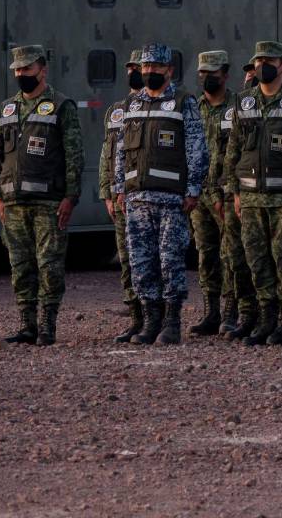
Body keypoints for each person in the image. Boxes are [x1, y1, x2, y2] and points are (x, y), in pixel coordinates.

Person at [223, 40, 282, 347]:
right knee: (257, 259)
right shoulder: (243, 102)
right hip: (250, 197)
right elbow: (234, 149)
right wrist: (234, 190)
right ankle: (266, 321)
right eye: (259, 60)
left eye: (270, 60)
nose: (264, 65)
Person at [114, 43, 208, 346]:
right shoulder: (131, 105)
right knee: (141, 263)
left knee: (170, 261)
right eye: (145, 67)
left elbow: (197, 149)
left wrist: (193, 189)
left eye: (156, 67)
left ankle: (172, 321)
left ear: (169, 70)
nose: (149, 72)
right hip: (137, 199)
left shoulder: (183, 102)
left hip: (172, 200)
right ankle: (150, 320)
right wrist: (119, 188)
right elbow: (120, 151)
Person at [0, 45, 83, 347]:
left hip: (49, 202)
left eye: (27, 69)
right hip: (13, 202)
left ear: (42, 70)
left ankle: (48, 324)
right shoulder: (8, 108)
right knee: (20, 265)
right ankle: (27, 324)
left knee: (49, 264)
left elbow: (73, 154)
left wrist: (71, 195)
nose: (21, 75)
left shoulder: (60, 105)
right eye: (17, 70)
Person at [191, 50, 258, 339]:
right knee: (205, 254)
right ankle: (211, 312)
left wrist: (229, 190)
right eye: (203, 73)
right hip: (200, 193)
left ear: (225, 75)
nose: (207, 78)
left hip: (228, 193)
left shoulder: (238, 106)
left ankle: (232, 313)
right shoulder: (195, 107)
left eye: (213, 74)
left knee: (232, 254)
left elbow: (242, 152)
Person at [101, 49, 144, 342]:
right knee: (127, 259)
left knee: (151, 259)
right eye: (130, 67)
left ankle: (157, 316)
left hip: (147, 194)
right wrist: (107, 191)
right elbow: (109, 153)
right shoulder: (117, 110)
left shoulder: (162, 106)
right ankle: (135, 317)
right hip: (121, 198)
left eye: (138, 67)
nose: (133, 72)